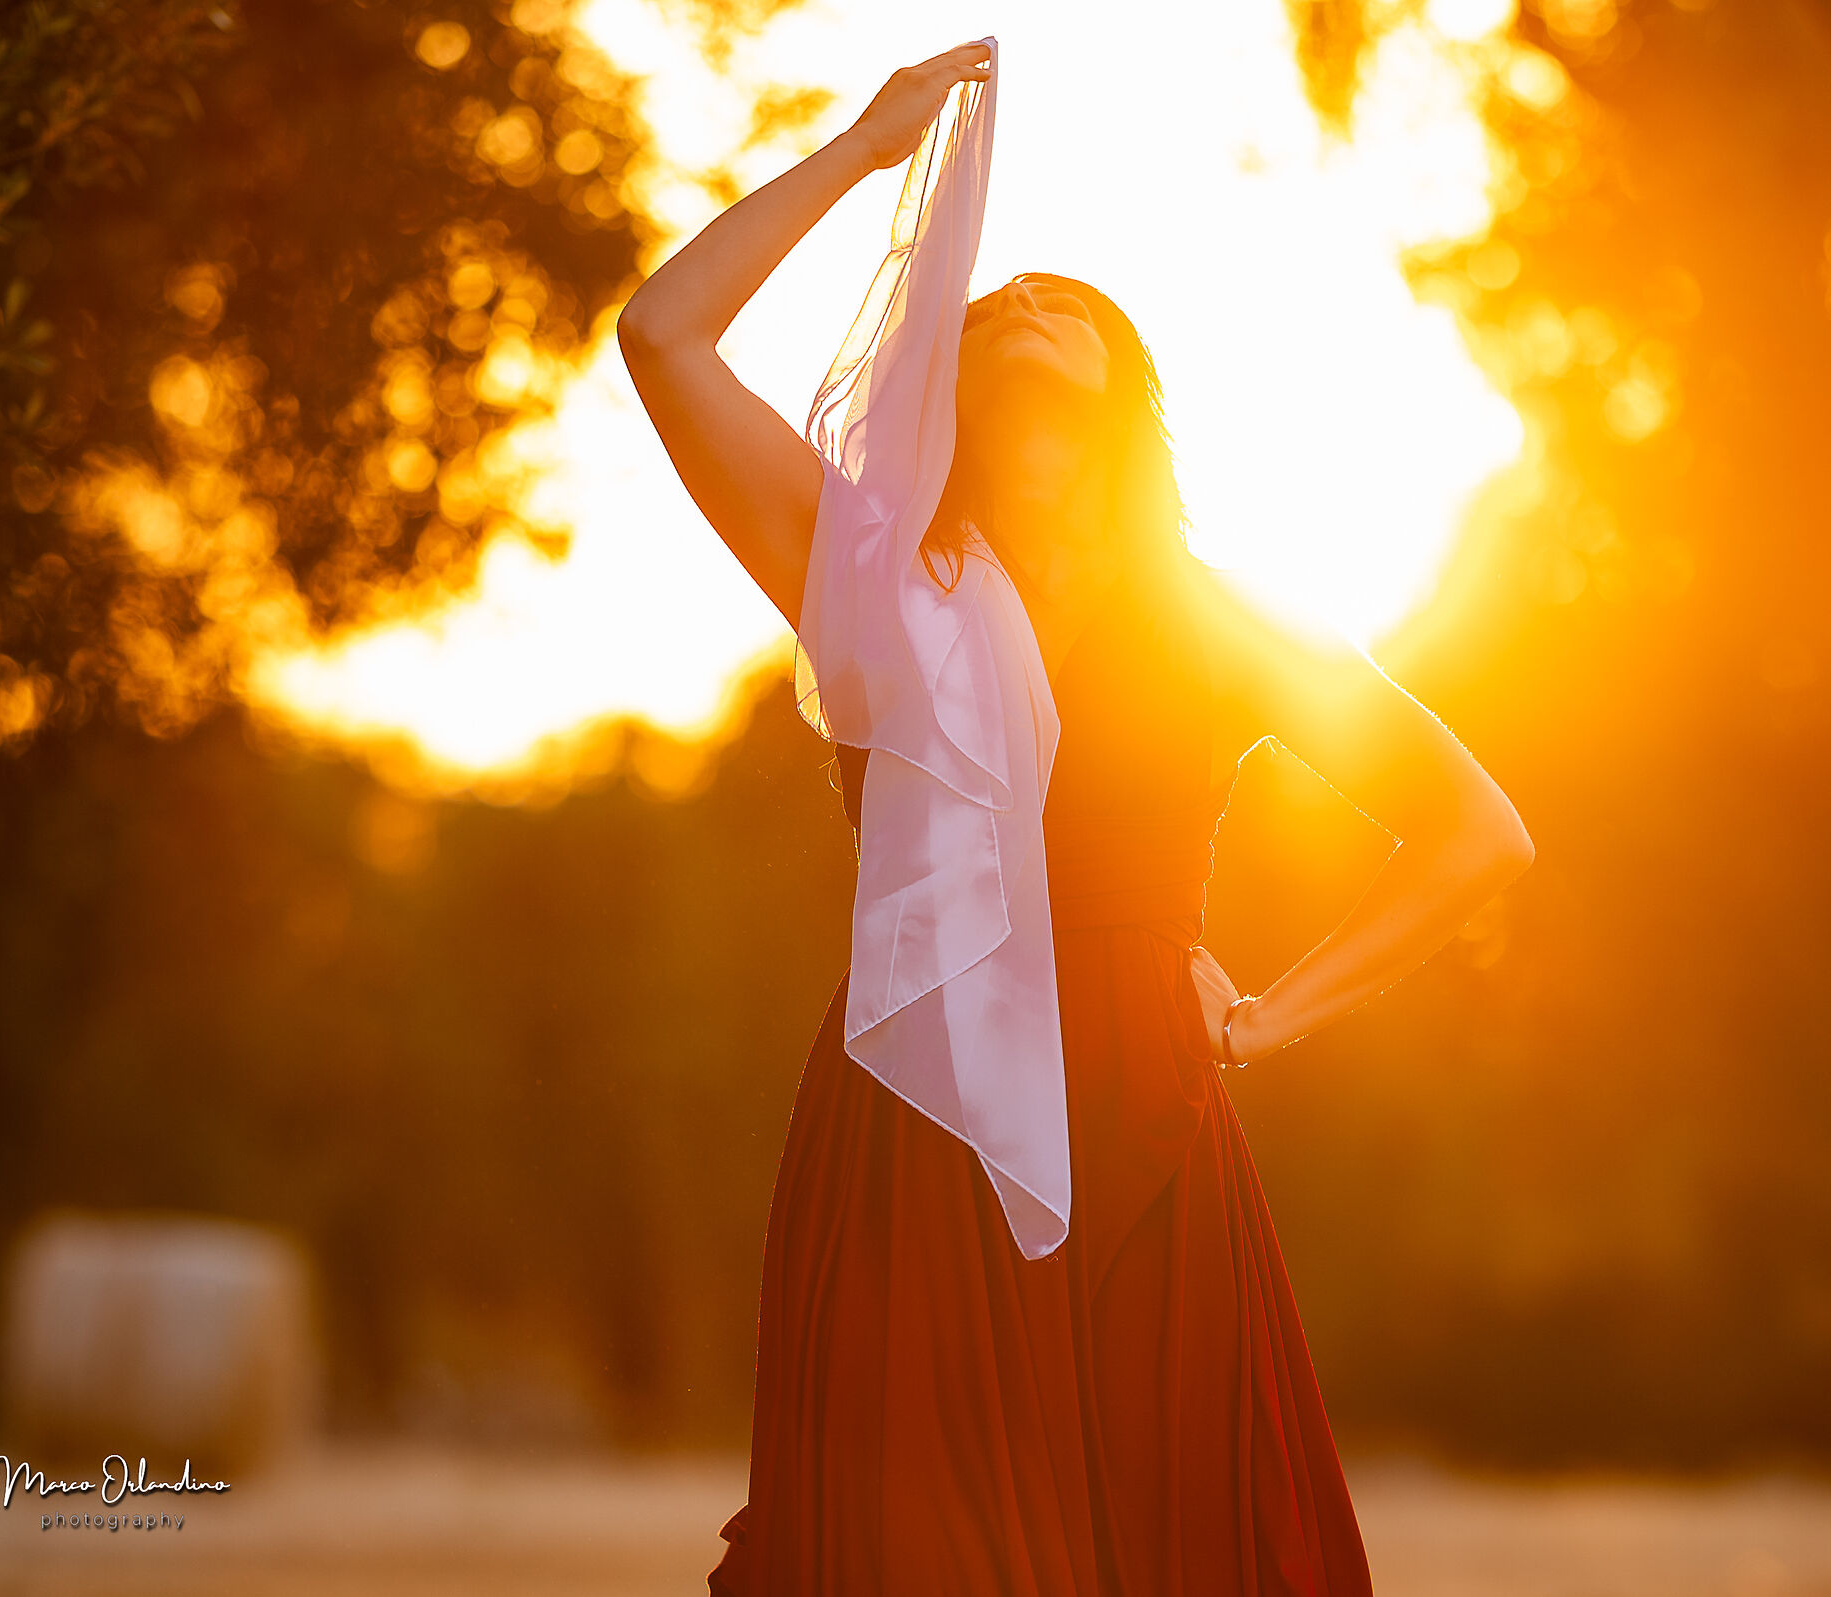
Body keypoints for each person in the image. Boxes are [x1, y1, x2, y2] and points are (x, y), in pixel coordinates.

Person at [618, 39, 1534, 1597]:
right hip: (916, 1098)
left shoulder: (1223, 625)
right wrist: (864, 148)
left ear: (1130, 396)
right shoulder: (878, 595)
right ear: (950, 382)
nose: (1036, 302)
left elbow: (1474, 830)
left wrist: (1266, 1018)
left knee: (1171, 1533)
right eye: (1003, 306)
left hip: (1139, 1092)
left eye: (1077, 306)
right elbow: (663, 332)